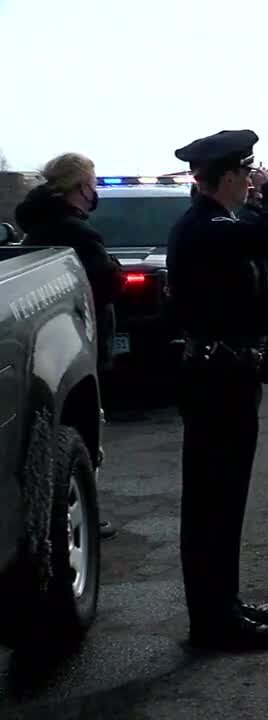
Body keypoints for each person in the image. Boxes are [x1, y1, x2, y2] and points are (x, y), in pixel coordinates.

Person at [167, 129, 268, 652]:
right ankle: (212, 622)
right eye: (246, 174)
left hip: (228, 376)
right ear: (231, 176)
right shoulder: (208, 226)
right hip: (219, 381)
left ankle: (223, 603)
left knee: (223, 501)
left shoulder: (213, 222)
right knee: (213, 504)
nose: (251, 184)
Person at [15, 152, 124, 540]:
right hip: (77, 339)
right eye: (92, 185)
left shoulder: (36, 225)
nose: (94, 193)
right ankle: (81, 517)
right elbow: (107, 281)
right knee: (82, 436)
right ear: (81, 188)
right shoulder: (76, 232)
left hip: (54, 343)